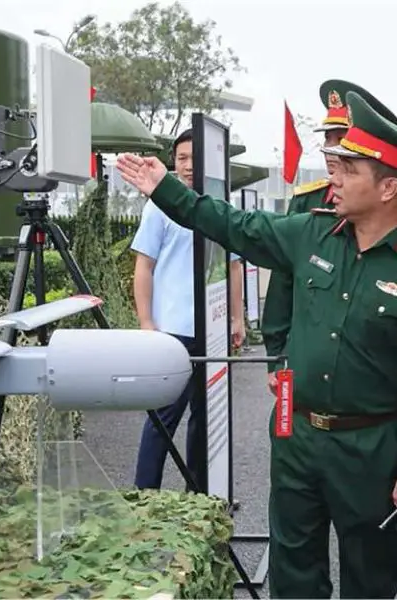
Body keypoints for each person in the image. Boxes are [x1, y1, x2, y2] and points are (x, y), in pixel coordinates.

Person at [115, 89, 397, 599]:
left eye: (350, 170)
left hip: (372, 450)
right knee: (293, 572)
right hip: (298, 439)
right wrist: (166, 188)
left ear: (388, 187)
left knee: (371, 577)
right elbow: (234, 225)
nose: (334, 176)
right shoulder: (310, 234)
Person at [263, 80, 397, 395]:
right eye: (328, 138)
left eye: (342, 138)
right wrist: (276, 353)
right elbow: (284, 280)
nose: (331, 149)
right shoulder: (308, 202)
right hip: (305, 362)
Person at [131, 127, 245, 490]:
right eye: (181, 158)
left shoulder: (221, 207)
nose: (188, 165)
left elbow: (233, 266)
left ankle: (197, 495)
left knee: (206, 418)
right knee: (162, 419)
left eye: (194, 158)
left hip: (211, 330)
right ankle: (145, 495)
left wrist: (237, 318)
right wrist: (146, 322)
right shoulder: (158, 206)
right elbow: (144, 267)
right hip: (172, 332)